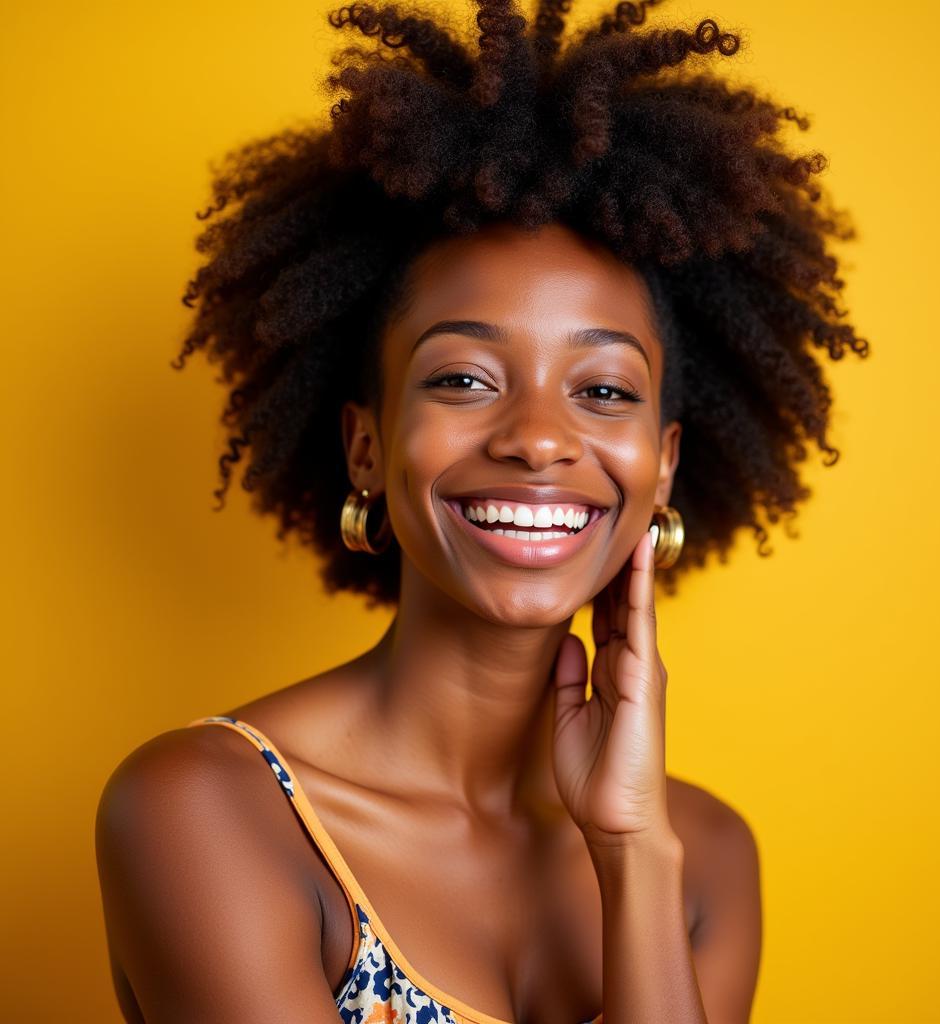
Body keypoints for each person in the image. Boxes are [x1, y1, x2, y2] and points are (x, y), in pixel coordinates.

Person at [95, 1, 869, 1021]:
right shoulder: (206, 807)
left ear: (664, 465)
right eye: (463, 379)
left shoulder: (703, 857)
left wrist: (631, 850)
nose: (539, 438)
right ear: (366, 445)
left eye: (602, 390)